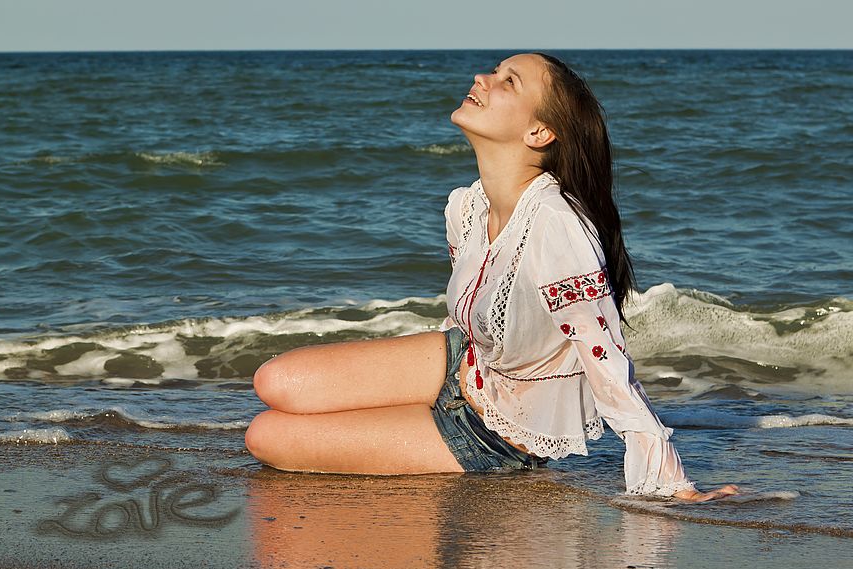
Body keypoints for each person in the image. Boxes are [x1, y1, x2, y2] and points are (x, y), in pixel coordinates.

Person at [245, 52, 740, 503]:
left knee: (267, 436)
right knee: (276, 381)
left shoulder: (556, 225)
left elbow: (604, 354)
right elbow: (471, 314)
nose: (482, 78)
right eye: (493, 71)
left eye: (509, 81)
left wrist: (668, 479)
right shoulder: (468, 205)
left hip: (498, 434)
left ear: (539, 133)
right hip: (466, 362)